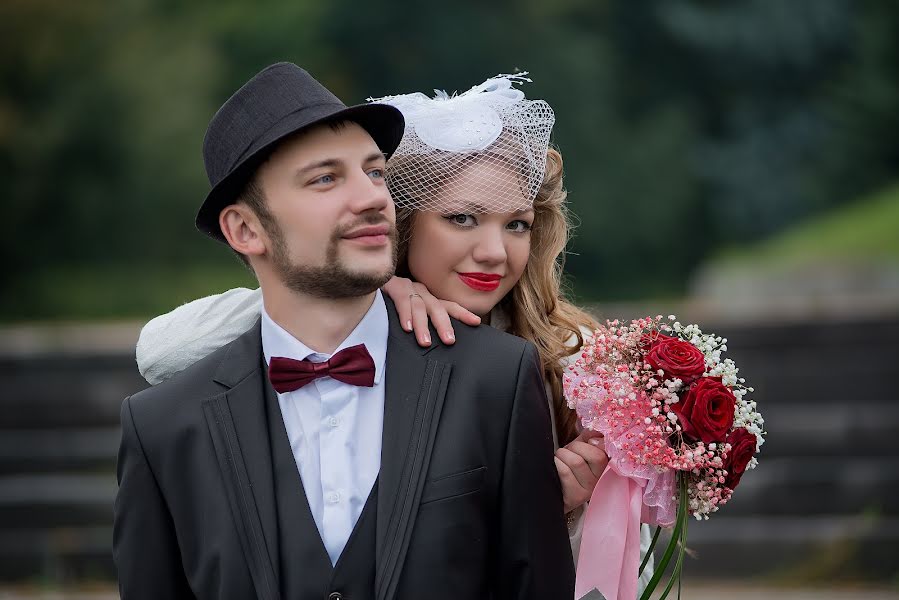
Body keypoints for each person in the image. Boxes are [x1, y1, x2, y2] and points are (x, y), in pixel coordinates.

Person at [136, 73, 656, 597]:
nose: (496, 252)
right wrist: (372, 287)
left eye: (517, 224)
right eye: (462, 218)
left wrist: (564, 512)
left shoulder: (561, 366)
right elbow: (160, 349)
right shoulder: (177, 413)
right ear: (403, 223)